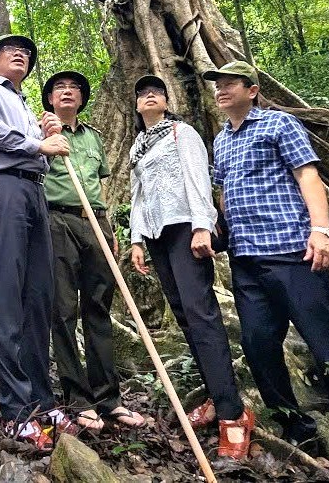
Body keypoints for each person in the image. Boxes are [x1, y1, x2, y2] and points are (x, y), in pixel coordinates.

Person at [203, 60, 329, 456]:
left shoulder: (279, 125)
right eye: (217, 85)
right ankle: (297, 426)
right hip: (246, 261)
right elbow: (222, 191)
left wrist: (321, 230)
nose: (221, 90)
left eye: (230, 84)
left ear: (252, 89)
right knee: (258, 345)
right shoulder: (221, 140)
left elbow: (307, 175)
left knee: (327, 343)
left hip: (293, 252)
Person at [129, 75, 254, 459]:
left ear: (166, 101)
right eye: (142, 94)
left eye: (156, 91)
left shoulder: (182, 133)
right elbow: (138, 193)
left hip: (186, 226)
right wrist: (136, 238)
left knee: (202, 314)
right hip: (156, 234)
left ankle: (233, 415)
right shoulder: (138, 145)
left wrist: (203, 224)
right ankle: (218, 397)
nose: (149, 96)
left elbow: (199, 178)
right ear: (136, 107)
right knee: (184, 316)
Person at [0, 35, 74, 451]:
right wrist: (36, 144)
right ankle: (14, 408)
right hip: (1, 188)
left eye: (27, 52)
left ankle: (41, 401)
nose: (22, 54)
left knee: (38, 299)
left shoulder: (29, 108)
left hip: (33, 191)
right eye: (11, 50)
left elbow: (42, 156)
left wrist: (46, 139)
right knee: (8, 297)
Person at [41, 70, 145, 432]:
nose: (67, 92)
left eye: (74, 89)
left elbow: (101, 186)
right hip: (57, 221)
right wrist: (42, 138)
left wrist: (110, 229)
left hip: (95, 221)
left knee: (98, 306)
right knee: (64, 308)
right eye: (59, 89)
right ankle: (77, 399)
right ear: (51, 99)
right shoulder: (41, 133)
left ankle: (108, 398)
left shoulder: (93, 139)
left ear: (82, 100)